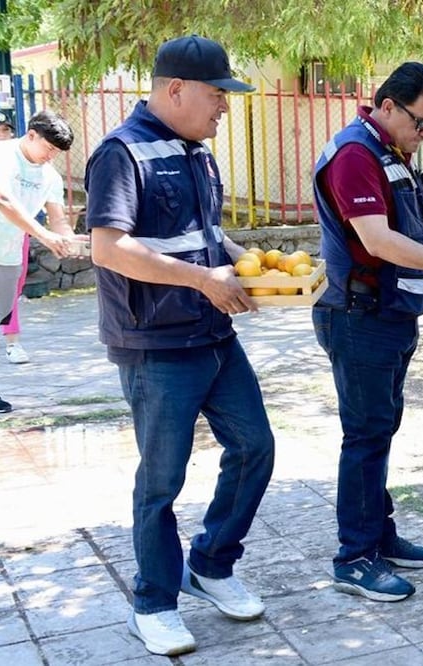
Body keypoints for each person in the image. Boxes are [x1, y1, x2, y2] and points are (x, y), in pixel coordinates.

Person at [83, 35, 275, 657]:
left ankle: (212, 564)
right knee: (161, 480)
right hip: (156, 345)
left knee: (255, 447)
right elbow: (109, 249)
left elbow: (205, 235)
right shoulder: (122, 153)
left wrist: (253, 265)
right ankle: (154, 602)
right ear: (175, 90)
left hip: (214, 334)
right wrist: (202, 279)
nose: (224, 107)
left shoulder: (197, 153)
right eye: (217, 95)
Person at [312, 62, 423, 603]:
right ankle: (355, 557)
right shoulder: (353, 156)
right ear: (387, 106)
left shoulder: (391, 151)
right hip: (357, 315)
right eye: (421, 121)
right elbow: (378, 239)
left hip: (392, 313)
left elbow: (411, 218)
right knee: (365, 434)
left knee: (382, 427)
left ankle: (379, 534)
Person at [0, 109, 80, 412]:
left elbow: (58, 218)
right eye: (49, 148)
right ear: (31, 135)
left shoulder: (49, 176)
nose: (51, 156)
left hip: (7, 254)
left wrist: (67, 239)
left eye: (56, 153)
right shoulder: (3, 156)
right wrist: (44, 235)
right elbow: (3, 201)